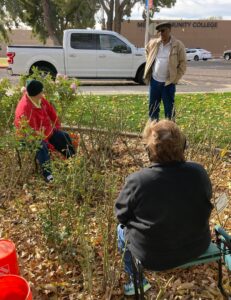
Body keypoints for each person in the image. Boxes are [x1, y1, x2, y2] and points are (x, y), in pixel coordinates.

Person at [115, 119, 213, 296]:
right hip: (199, 245)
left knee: (120, 230)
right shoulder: (198, 172)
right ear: (183, 147)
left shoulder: (138, 181)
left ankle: (137, 281)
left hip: (154, 257)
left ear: (148, 151)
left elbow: (121, 216)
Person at [14, 79, 75, 182]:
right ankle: (48, 175)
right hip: (28, 137)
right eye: (41, 91)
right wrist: (49, 144)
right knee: (42, 146)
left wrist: (57, 126)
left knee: (63, 136)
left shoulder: (40, 99)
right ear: (36, 94)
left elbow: (51, 112)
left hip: (44, 131)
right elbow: (32, 132)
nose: (43, 93)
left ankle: (73, 160)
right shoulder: (25, 109)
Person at [144, 22, 187, 121]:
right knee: (153, 110)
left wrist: (175, 79)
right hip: (154, 82)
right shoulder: (154, 43)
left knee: (169, 111)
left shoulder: (178, 45)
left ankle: (170, 134)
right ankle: (154, 133)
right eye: (159, 31)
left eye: (163, 31)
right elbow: (146, 50)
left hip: (168, 83)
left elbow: (183, 64)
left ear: (169, 30)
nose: (160, 34)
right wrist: (149, 62)